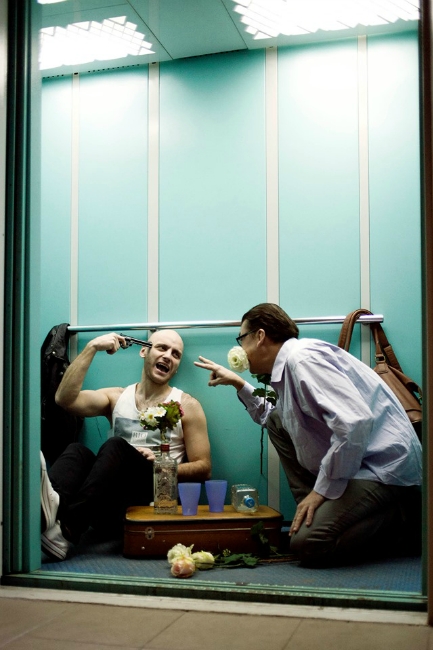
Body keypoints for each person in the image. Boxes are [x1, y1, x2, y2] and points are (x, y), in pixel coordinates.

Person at [194, 303, 422, 567]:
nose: (240, 347)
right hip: (360, 465)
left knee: (309, 545)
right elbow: (275, 418)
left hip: (383, 468)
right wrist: (237, 383)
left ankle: (407, 520)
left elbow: (355, 422)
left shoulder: (303, 360)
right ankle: (316, 514)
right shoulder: (289, 367)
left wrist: (321, 490)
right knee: (278, 420)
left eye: (241, 338)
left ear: (259, 336)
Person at [41, 329, 211, 561]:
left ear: (177, 366)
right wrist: (92, 347)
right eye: (162, 348)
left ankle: (68, 529)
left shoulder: (187, 405)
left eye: (176, 354)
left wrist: (161, 465)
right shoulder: (117, 397)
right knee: (77, 451)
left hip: (151, 503)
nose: (168, 356)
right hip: (105, 505)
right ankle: (47, 514)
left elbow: (204, 468)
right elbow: (64, 399)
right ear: (144, 351)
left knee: (115, 446)